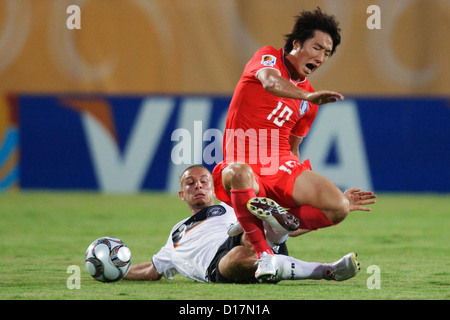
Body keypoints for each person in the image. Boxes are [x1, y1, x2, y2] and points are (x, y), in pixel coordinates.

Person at [211, 8, 373, 280]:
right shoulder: (267, 59)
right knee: (238, 173)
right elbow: (271, 83)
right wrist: (306, 96)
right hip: (243, 164)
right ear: (297, 43)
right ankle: (265, 254)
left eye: (327, 53)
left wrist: (292, 194)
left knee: (339, 207)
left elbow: (293, 147)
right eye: (316, 47)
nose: (320, 58)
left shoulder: (308, 101)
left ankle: (275, 225)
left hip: (281, 166)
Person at [124, 165, 360, 283]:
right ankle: (324, 268)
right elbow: (152, 270)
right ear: (181, 194)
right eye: (190, 183)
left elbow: (298, 229)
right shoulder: (176, 233)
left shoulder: (232, 206)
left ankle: (276, 230)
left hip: (248, 238)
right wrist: (117, 271)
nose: (198, 186)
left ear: (212, 188)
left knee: (247, 225)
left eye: (204, 181)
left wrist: (340, 206)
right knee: (238, 255)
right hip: (216, 265)